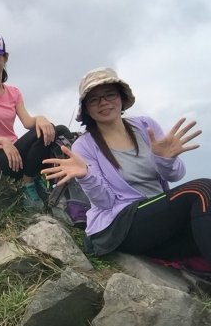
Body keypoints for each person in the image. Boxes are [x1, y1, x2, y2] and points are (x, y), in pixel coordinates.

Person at [41, 67, 211, 261]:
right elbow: (105, 202)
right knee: (202, 190)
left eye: (110, 95)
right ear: (86, 108)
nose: (103, 102)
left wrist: (166, 160)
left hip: (158, 218)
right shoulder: (84, 146)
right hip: (120, 225)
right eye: (94, 99)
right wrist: (86, 176)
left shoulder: (145, 126)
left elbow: (175, 175)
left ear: (121, 98)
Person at [0, 33, 66, 210]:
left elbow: (27, 122)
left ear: (5, 57)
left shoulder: (14, 92)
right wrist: (2, 141)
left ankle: (32, 180)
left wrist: (41, 118)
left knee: (58, 129)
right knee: (47, 132)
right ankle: (29, 184)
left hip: (15, 153)